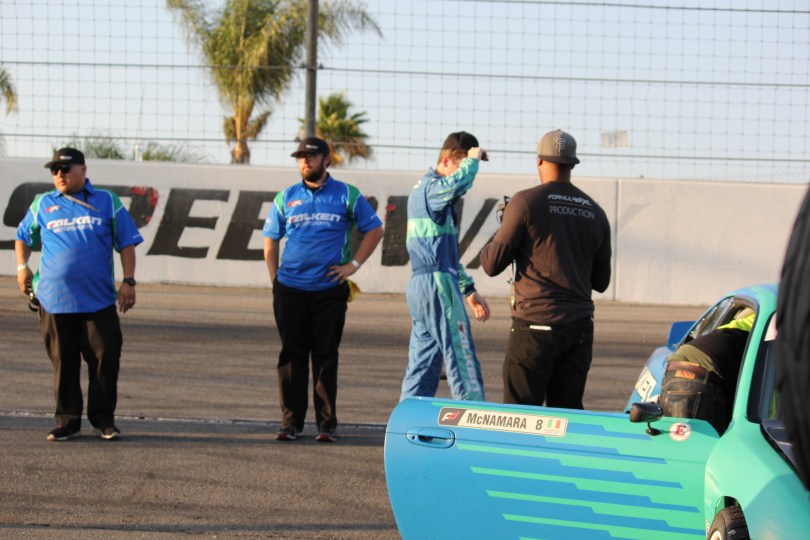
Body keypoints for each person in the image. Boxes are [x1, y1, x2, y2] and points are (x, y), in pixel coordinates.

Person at [15, 147, 143, 442]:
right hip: (54, 299)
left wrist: (129, 281)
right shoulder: (43, 203)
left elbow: (126, 242)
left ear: (83, 170)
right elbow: (23, 237)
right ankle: (67, 421)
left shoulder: (106, 201)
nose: (59, 174)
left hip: (97, 300)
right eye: (54, 170)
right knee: (63, 361)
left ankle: (103, 420)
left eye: (65, 168)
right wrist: (22, 268)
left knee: (105, 358)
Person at [263, 137, 384, 443]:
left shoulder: (347, 194)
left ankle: (326, 425)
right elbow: (270, 240)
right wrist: (275, 279)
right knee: (291, 355)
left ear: (326, 160)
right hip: (290, 289)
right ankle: (290, 423)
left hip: (329, 289)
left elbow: (375, 230)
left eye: (312, 156)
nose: (305, 161)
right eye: (300, 157)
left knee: (325, 355)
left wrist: (352, 266)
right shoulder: (285, 197)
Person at [480, 129, 612, 409]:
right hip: (579, 330)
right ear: (573, 164)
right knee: (567, 417)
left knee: (519, 417)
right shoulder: (595, 212)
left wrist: (506, 226)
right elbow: (601, 282)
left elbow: (491, 264)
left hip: (534, 326)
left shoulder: (525, 202)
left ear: (539, 160)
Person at [400, 131, 490, 402]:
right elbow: (455, 185)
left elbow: (445, 256)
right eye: (462, 164)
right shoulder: (433, 188)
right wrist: (472, 162)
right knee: (461, 356)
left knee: (423, 364)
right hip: (438, 284)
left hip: (427, 284)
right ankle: (473, 418)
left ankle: (408, 420)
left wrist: (468, 289)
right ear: (449, 159)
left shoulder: (430, 193)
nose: (467, 174)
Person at [660, 313, 754, 434]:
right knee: (699, 441)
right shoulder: (772, 325)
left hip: (685, 366)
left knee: (687, 441)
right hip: (696, 373)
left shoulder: (754, 316)